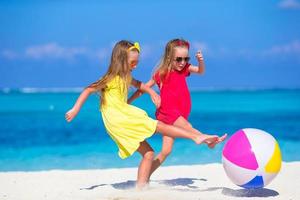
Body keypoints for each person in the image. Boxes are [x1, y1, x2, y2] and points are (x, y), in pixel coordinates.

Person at [65, 40, 220, 189]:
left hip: (122, 117)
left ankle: (141, 188)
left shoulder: (125, 77)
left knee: (149, 153)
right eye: (133, 62)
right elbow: (88, 89)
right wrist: (75, 109)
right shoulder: (111, 78)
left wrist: (151, 93)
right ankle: (196, 137)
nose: (136, 65)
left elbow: (140, 85)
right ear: (121, 60)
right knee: (158, 126)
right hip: (120, 117)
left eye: (136, 62)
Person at [128, 38, 227, 177]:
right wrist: (128, 101)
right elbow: (142, 89)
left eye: (186, 59)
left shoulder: (185, 69)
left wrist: (200, 61)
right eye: (179, 59)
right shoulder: (161, 73)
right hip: (167, 112)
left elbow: (200, 71)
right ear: (169, 57)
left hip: (180, 112)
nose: (182, 63)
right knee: (188, 126)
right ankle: (207, 141)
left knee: (166, 151)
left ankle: (145, 176)